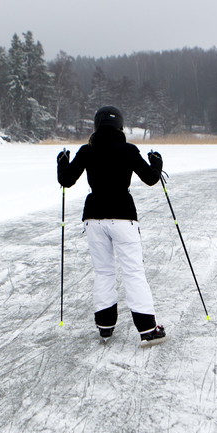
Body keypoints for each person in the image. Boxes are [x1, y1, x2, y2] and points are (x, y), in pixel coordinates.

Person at [57, 106, 167, 345]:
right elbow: (151, 178)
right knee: (133, 272)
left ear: (97, 125)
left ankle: (105, 326)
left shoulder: (87, 151)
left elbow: (65, 180)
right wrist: (156, 163)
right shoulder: (128, 150)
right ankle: (148, 330)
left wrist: (62, 162)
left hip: (94, 217)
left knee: (103, 271)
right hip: (123, 216)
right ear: (120, 126)